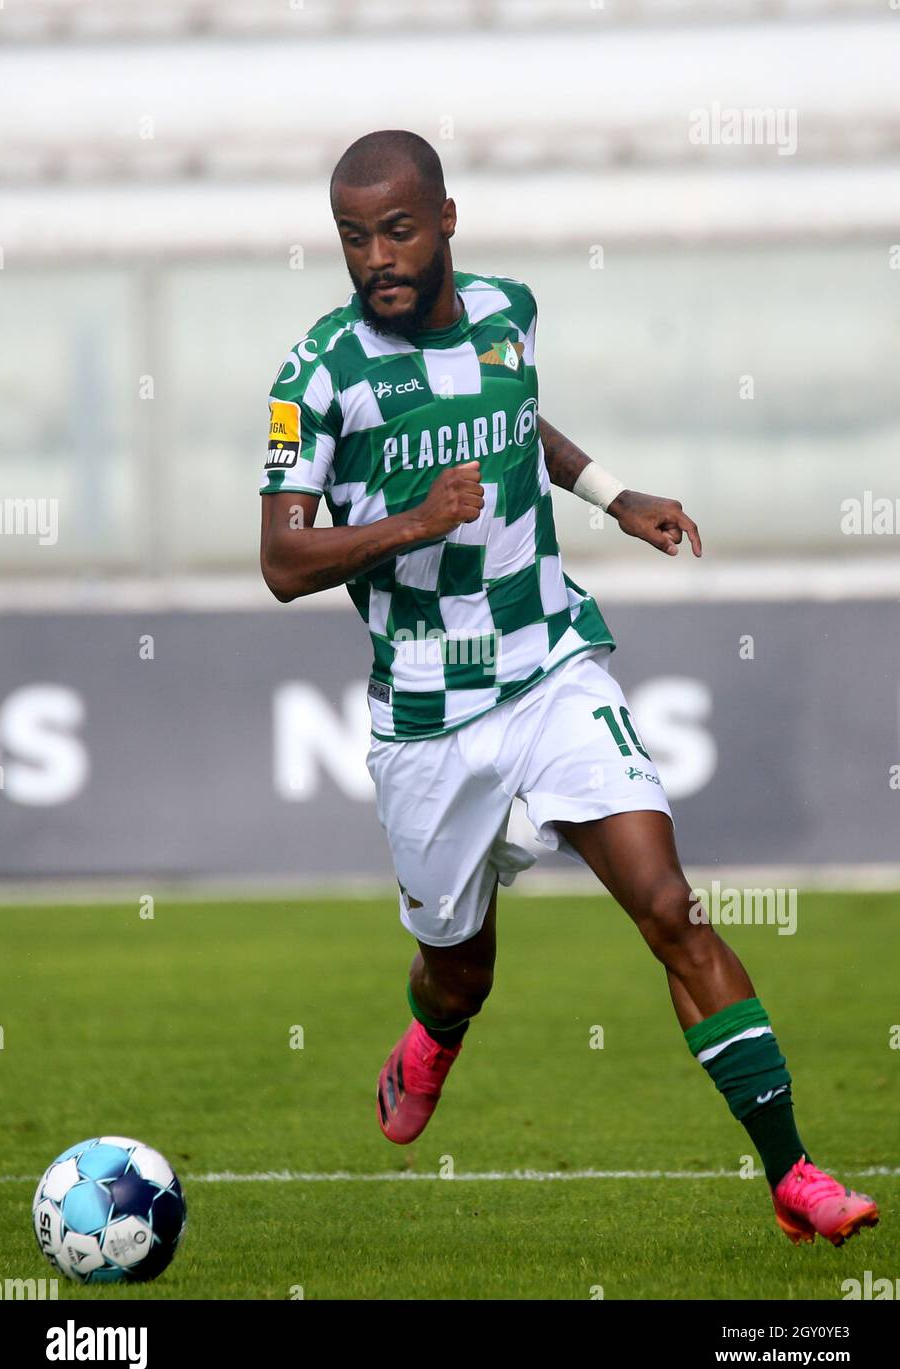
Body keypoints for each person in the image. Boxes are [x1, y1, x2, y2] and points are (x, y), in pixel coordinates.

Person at [260, 129, 878, 1247]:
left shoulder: (509, 313)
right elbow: (281, 563)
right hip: (426, 714)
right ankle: (432, 1034)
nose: (376, 259)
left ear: (448, 220)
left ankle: (791, 1171)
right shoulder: (319, 376)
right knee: (459, 971)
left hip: (549, 662)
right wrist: (414, 521)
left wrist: (610, 493)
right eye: (354, 238)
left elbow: (514, 418)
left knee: (670, 907)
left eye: (397, 230)